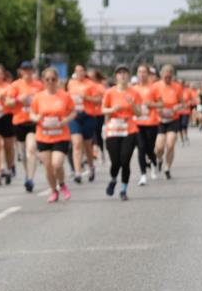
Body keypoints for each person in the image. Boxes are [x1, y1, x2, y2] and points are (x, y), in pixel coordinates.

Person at [30, 67, 76, 203]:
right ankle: (53, 191)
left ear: (57, 80)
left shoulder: (65, 96)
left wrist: (66, 120)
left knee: (57, 164)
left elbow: (73, 112)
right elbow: (31, 113)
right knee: (48, 167)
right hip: (43, 136)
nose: (50, 82)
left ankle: (62, 184)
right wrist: (35, 118)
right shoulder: (38, 97)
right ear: (43, 81)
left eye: (53, 79)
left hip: (61, 135)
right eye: (47, 79)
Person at [102, 66, 142, 201]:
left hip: (129, 130)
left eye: (125, 73)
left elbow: (139, 113)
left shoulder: (134, 93)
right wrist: (112, 109)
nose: (123, 76)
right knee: (115, 162)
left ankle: (124, 189)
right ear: (116, 77)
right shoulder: (109, 92)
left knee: (125, 160)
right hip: (113, 130)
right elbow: (103, 110)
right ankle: (113, 179)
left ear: (129, 76)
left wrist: (132, 105)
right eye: (120, 73)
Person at [9, 60, 44, 193]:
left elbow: (45, 100)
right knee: (23, 154)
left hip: (33, 122)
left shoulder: (39, 85)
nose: (27, 72)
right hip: (19, 121)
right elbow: (8, 103)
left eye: (30, 70)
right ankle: (27, 172)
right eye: (25, 70)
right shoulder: (15, 85)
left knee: (31, 149)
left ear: (33, 71)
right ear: (21, 71)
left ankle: (30, 178)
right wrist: (19, 99)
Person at [67, 65, 102, 183]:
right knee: (76, 143)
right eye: (77, 71)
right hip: (75, 116)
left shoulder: (91, 84)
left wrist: (86, 97)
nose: (79, 73)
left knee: (87, 146)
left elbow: (98, 100)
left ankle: (91, 167)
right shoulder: (71, 83)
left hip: (88, 116)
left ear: (85, 72)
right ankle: (78, 172)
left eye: (81, 71)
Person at [152, 64, 183, 179]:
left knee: (170, 144)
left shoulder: (177, 87)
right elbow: (150, 102)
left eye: (170, 77)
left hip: (173, 119)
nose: (167, 79)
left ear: (172, 76)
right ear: (161, 76)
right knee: (159, 147)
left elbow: (182, 103)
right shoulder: (155, 87)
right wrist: (158, 107)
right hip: (159, 120)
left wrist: (177, 107)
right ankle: (159, 159)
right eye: (165, 77)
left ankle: (167, 168)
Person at [131, 65, 160, 185]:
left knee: (149, 148)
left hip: (151, 122)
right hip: (137, 123)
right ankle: (143, 175)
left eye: (144, 72)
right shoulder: (133, 89)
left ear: (148, 74)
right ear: (137, 74)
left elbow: (161, 104)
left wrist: (151, 104)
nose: (141, 74)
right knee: (141, 148)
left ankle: (154, 163)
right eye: (139, 71)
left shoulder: (153, 88)